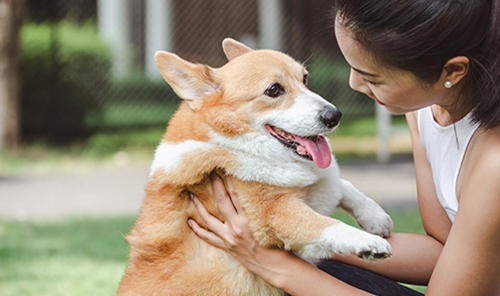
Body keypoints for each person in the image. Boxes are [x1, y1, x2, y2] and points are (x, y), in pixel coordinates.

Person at [187, 0, 500, 295]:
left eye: (372, 78)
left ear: (453, 72)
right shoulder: (424, 114)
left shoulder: (494, 162)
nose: (353, 84)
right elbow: (441, 250)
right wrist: (303, 237)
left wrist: (269, 262)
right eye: (352, 67)